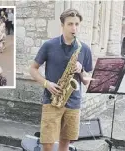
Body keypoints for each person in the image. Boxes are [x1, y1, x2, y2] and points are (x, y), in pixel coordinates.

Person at [29, 9, 93, 151]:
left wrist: (81, 70)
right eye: (70, 24)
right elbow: (32, 69)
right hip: (52, 99)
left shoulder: (85, 49)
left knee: (65, 143)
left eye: (77, 24)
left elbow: (87, 81)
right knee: (48, 143)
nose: (74, 28)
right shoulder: (49, 45)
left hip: (73, 103)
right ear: (62, 25)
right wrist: (46, 84)